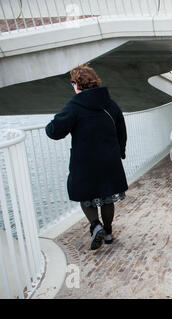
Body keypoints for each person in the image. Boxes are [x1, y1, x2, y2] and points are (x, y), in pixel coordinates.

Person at [45, 64, 128, 250]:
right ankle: (107, 233)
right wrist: (120, 152)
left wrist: (50, 126)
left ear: (77, 84)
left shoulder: (75, 105)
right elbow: (121, 130)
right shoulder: (110, 104)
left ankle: (95, 225)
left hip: (85, 162)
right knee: (107, 197)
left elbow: (55, 131)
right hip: (109, 159)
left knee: (85, 195)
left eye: (72, 83)